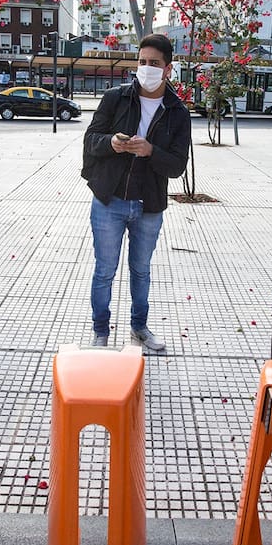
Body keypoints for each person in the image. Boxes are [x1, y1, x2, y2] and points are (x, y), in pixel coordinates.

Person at [81, 33, 191, 352]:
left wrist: (150, 151)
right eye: (142, 62)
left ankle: (139, 328)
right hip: (109, 200)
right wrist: (112, 143)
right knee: (104, 270)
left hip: (149, 205)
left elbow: (177, 166)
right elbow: (91, 139)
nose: (146, 68)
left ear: (168, 68)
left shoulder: (177, 112)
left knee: (141, 271)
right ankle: (100, 332)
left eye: (154, 63)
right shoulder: (116, 98)